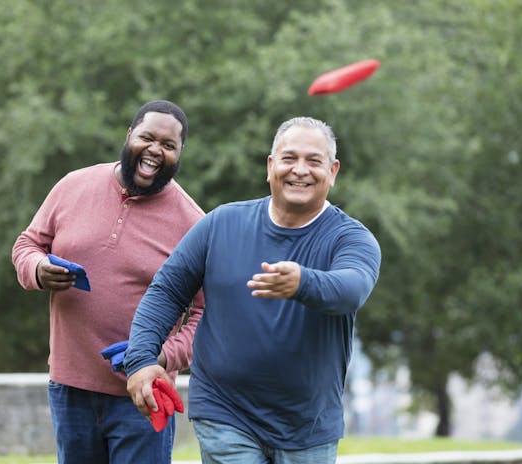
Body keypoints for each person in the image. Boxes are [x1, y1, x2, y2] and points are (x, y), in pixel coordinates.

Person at [124, 116, 382, 463]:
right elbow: (167, 291)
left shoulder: (351, 239)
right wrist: (140, 359)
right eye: (289, 158)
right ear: (271, 166)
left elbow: (352, 289)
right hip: (224, 412)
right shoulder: (220, 224)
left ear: (333, 171)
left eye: (313, 161)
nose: (300, 170)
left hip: (308, 425)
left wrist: (303, 283)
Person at [11, 100, 205, 464]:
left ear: (180, 154)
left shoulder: (194, 223)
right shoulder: (73, 185)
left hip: (144, 394)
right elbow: (27, 244)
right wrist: (37, 269)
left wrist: (160, 356)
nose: (155, 150)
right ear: (129, 135)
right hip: (69, 388)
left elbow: (206, 314)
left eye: (168, 145)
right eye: (147, 137)